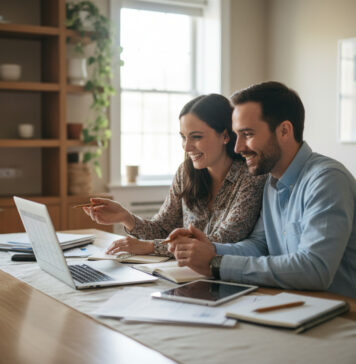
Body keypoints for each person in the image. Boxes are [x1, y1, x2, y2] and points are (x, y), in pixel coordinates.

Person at [168, 81, 356, 298]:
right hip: (294, 304)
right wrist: (208, 248)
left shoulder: (327, 180)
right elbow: (260, 246)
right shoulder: (271, 182)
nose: (238, 148)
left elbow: (314, 269)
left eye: (247, 134)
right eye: (237, 135)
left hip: (342, 315)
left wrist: (216, 263)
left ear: (284, 131)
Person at [84, 94, 266, 256]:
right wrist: (125, 217)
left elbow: (224, 240)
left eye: (196, 137)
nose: (187, 147)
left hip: (226, 275)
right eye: (183, 137)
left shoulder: (251, 176)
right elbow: (162, 228)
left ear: (225, 136)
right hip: (185, 272)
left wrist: (149, 247)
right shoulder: (186, 172)